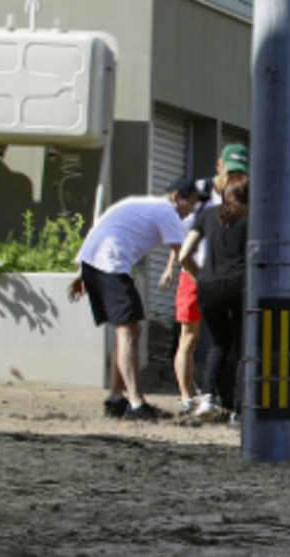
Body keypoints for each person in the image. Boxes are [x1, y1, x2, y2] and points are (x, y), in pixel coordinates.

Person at [70, 178, 207, 421]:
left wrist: (83, 272)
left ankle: (116, 398)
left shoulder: (146, 205)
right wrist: (203, 282)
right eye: (192, 203)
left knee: (129, 332)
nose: (192, 209)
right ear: (177, 196)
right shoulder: (166, 211)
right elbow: (183, 255)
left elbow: (103, 228)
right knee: (129, 332)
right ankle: (136, 404)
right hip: (109, 264)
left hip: (98, 263)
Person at [162, 144, 250, 416]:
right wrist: (177, 268)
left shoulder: (222, 207)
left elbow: (185, 247)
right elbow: (178, 232)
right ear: (219, 166)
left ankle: (216, 398)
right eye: (231, 171)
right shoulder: (199, 192)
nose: (234, 177)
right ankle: (192, 398)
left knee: (221, 343)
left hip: (209, 279)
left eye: (239, 173)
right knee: (200, 339)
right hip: (211, 276)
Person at [183, 175, 249, 425]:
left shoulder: (207, 215)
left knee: (218, 343)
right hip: (240, 285)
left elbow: (184, 254)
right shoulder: (252, 218)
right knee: (242, 347)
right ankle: (238, 410)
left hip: (208, 286)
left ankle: (208, 398)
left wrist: (199, 277)